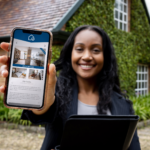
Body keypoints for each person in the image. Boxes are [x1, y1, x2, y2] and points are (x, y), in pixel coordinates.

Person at [0, 25, 141, 150]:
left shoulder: (124, 105)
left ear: (106, 57)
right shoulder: (57, 94)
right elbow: (43, 112)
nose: (87, 56)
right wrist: (40, 102)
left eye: (96, 50)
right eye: (79, 49)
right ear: (70, 54)